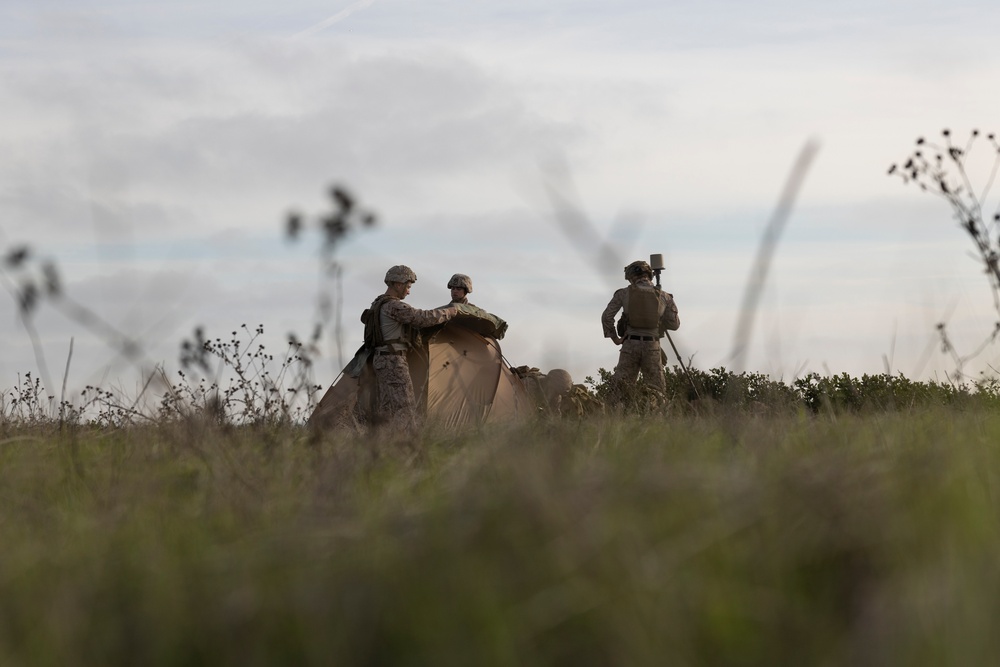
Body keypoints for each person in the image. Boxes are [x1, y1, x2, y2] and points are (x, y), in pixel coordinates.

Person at [361, 265, 458, 432]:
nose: (408, 291)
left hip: (381, 359)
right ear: (398, 284)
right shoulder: (393, 306)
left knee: (386, 407)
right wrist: (449, 312)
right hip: (393, 361)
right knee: (404, 407)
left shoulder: (378, 303)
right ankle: (409, 445)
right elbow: (422, 318)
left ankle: (384, 445)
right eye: (408, 286)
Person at [601, 259, 680, 400]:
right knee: (656, 389)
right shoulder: (664, 296)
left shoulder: (623, 294)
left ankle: (615, 417)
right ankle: (656, 417)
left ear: (631, 277)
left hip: (630, 345)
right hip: (653, 347)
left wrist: (616, 339)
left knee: (620, 387)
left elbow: (607, 317)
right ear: (650, 275)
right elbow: (674, 324)